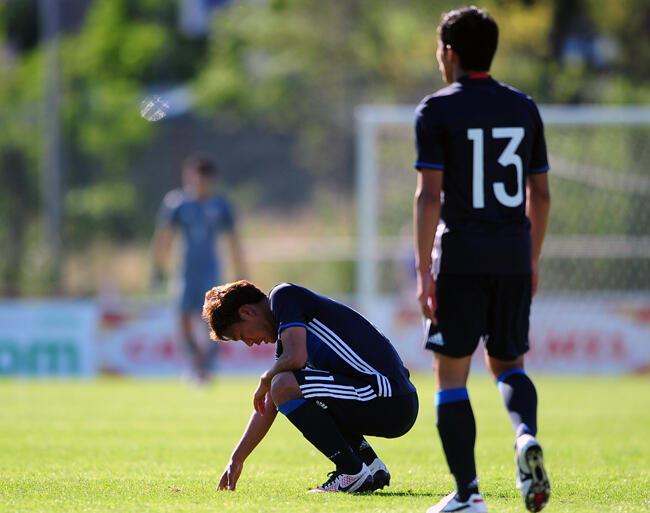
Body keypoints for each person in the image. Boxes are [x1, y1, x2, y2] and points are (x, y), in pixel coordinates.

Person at [413, 7, 552, 513]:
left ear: (449, 52)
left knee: (451, 374)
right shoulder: (523, 107)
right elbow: (541, 194)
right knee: (509, 362)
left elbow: (429, 198)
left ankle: (468, 494)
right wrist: (531, 256)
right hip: (514, 252)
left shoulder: (436, 110)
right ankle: (524, 436)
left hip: (463, 256)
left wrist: (424, 270)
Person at [202, 280, 418, 493]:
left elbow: (294, 362)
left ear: (247, 312)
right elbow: (270, 399)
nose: (250, 343)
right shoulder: (287, 332)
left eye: (242, 336)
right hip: (391, 399)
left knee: (283, 384)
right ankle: (369, 464)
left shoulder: (283, 295)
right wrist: (237, 458)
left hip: (387, 397)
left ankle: (351, 472)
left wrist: (266, 378)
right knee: (288, 386)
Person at [152, 153, 247, 385]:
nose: (197, 183)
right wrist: (157, 267)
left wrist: (240, 271)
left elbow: (233, 240)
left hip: (212, 272)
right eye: (193, 178)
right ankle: (196, 362)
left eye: (202, 178)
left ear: (210, 179)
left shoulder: (220, 205)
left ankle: (206, 368)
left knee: (213, 320)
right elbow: (164, 237)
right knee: (183, 319)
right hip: (184, 271)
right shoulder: (177, 203)